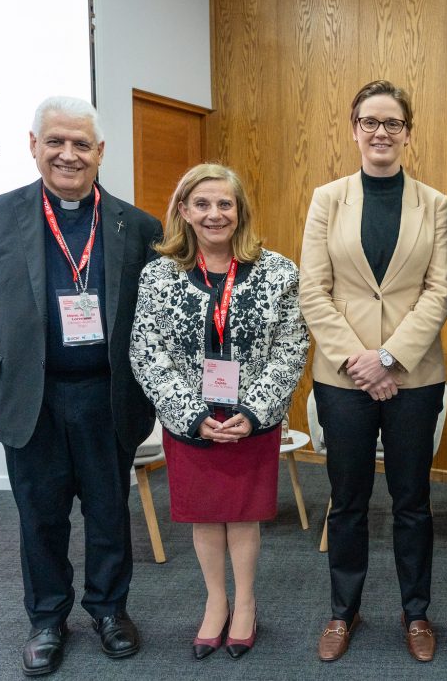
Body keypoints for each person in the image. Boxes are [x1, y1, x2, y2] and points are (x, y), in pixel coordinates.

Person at [0, 96, 162, 676]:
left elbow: (155, 319)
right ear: (34, 145)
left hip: (105, 394)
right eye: (56, 142)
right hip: (29, 396)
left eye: (81, 144)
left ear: (100, 152)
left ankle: (110, 611)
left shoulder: (137, 225)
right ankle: (47, 619)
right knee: (39, 516)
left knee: (108, 511)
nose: (68, 154)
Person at [299, 79, 447, 663]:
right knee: (348, 499)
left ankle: (416, 612)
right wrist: (362, 361)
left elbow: (440, 291)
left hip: (413, 377)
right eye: (371, 122)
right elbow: (313, 289)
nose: (381, 132)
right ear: (354, 128)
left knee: (413, 501)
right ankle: (344, 610)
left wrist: (390, 357)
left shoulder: (433, 204)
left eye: (392, 123)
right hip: (344, 378)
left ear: (408, 133)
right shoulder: (327, 198)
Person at [129, 163, 309, 660]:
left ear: (240, 211)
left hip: (251, 420)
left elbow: (292, 347)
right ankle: (215, 602)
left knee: (243, 516)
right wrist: (188, 414)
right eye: (202, 204)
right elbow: (147, 351)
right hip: (191, 423)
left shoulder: (278, 272)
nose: (214, 214)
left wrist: (254, 410)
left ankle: (246, 604)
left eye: (225, 204)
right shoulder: (158, 275)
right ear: (183, 211)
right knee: (205, 516)